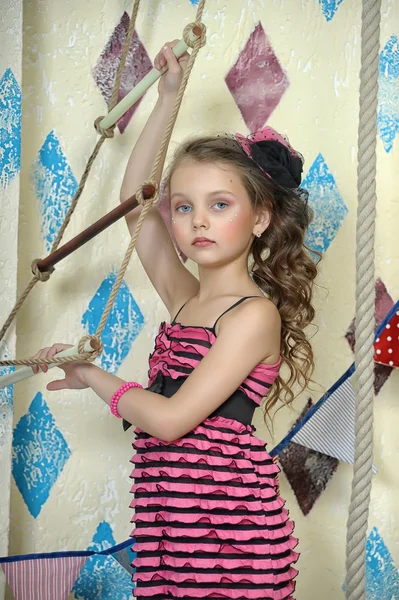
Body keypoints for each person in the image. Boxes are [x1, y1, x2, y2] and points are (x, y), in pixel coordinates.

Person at [31, 40, 318, 599]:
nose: (197, 222)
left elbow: (169, 420)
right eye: (184, 206)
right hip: (171, 529)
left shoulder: (253, 316)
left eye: (220, 205)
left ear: (260, 217)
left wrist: (93, 375)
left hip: (233, 538)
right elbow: (135, 201)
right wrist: (167, 98)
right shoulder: (185, 300)